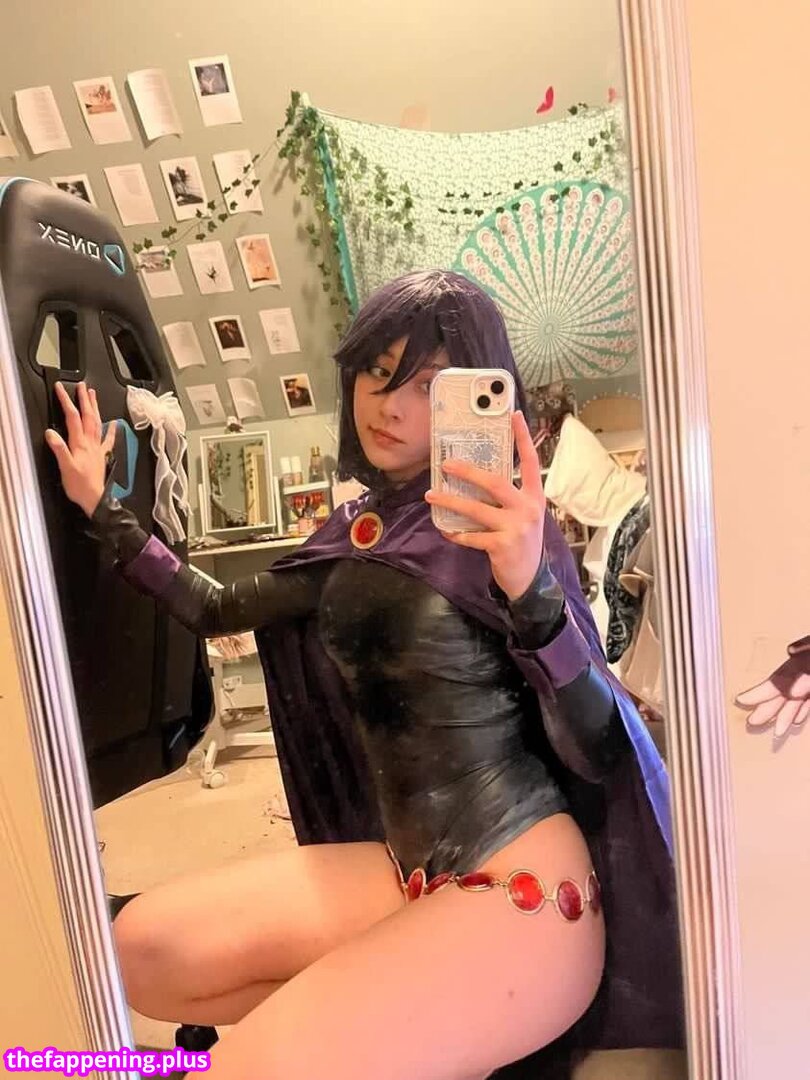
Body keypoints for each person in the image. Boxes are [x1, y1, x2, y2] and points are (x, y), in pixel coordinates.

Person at [45, 270, 682, 1080]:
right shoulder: (361, 531)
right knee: (140, 952)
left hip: (521, 884)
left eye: (428, 386)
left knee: (246, 1069)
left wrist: (533, 594)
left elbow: (600, 746)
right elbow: (217, 606)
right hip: (404, 870)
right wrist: (105, 507)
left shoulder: (512, 533)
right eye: (378, 372)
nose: (391, 405)